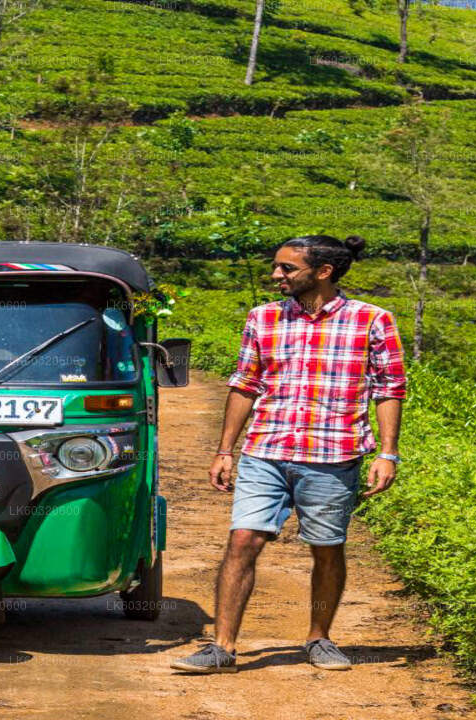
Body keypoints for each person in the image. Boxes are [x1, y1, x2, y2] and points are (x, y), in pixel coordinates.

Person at [171, 235, 406, 674]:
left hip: (333, 455)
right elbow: (245, 384)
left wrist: (388, 453)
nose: (276, 275)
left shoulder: (372, 320)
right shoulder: (263, 318)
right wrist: (226, 450)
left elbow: (390, 390)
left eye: (286, 268)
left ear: (323, 272)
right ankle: (222, 646)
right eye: (276, 266)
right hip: (267, 449)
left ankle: (319, 638)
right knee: (244, 539)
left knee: (326, 548)